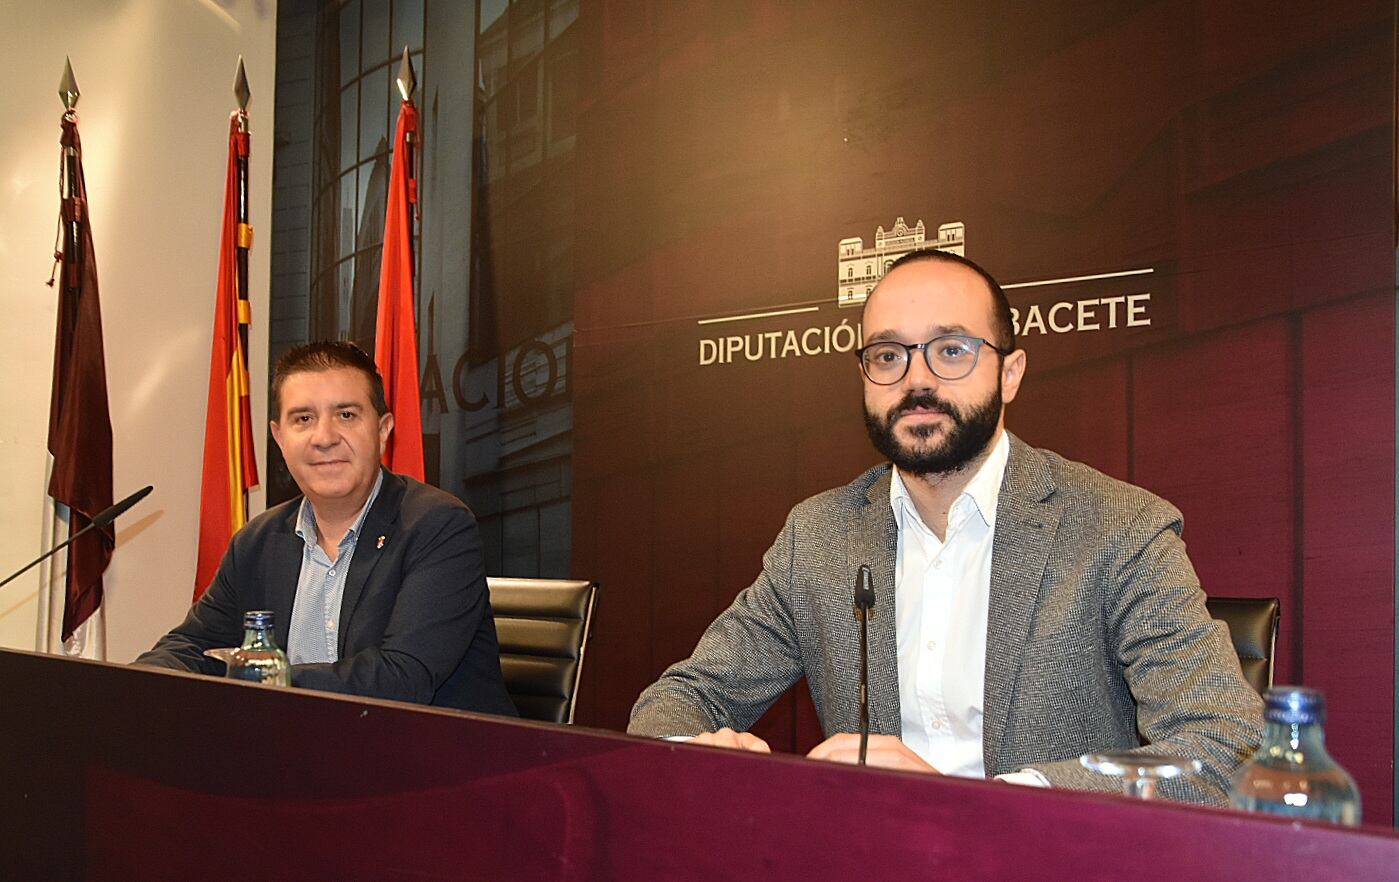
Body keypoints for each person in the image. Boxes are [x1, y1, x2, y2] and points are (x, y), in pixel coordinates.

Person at [628, 250, 1263, 803]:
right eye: (888, 355)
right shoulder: (818, 537)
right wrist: (705, 756)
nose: (917, 380)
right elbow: (680, 699)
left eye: (951, 350)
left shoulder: (1119, 528)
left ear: (1009, 373)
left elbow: (1221, 746)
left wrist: (986, 803)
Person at [137, 341, 516, 716]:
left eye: (346, 415)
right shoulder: (257, 541)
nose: (324, 438)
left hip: (429, 751)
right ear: (279, 437)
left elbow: (402, 678)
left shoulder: (438, 526)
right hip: (299, 747)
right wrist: (135, 683)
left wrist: (262, 680)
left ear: (383, 430)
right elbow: (193, 645)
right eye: (303, 419)